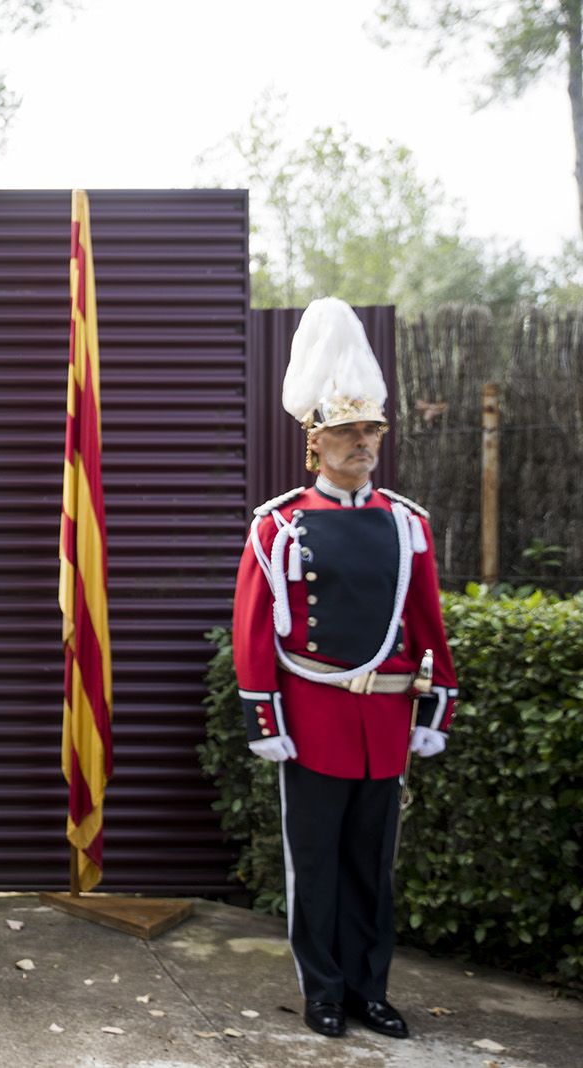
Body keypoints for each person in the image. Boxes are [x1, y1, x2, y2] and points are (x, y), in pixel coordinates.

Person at [232, 298, 458, 1040]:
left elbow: (428, 623)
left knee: (373, 868)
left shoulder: (406, 522)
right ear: (315, 442)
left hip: (385, 720)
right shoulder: (279, 524)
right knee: (317, 869)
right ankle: (323, 990)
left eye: (371, 431)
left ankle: (371, 989)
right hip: (316, 715)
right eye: (347, 433)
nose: (363, 444)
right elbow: (254, 628)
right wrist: (266, 719)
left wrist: (435, 714)